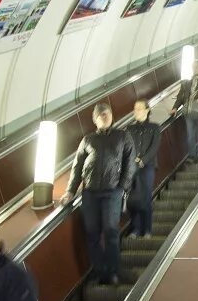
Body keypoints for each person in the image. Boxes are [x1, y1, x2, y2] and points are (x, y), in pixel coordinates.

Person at [64, 103, 136, 283]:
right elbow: (77, 166)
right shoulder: (87, 140)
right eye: (101, 115)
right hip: (90, 193)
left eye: (107, 114)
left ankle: (113, 271)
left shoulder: (122, 136)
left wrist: (122, 187)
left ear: (112, 116)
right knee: (92, 233)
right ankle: (99, 272)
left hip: (112, 191)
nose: (105, 116)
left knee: (111, 231)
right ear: (95, 119)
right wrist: (70, 191)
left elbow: (130, 163)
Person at [126, 99, 162, 238]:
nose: (136, 111)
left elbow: (155, 147)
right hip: (132, 168)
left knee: (145, 197)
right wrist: (133, 160)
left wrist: (143, 160)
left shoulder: (154, 127)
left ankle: (147, 229)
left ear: (147, 110)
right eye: (135, 109)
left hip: (148, 166)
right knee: (134, 198)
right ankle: (135, 228)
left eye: (140, 108)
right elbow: (127, 147)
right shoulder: (130, 128)